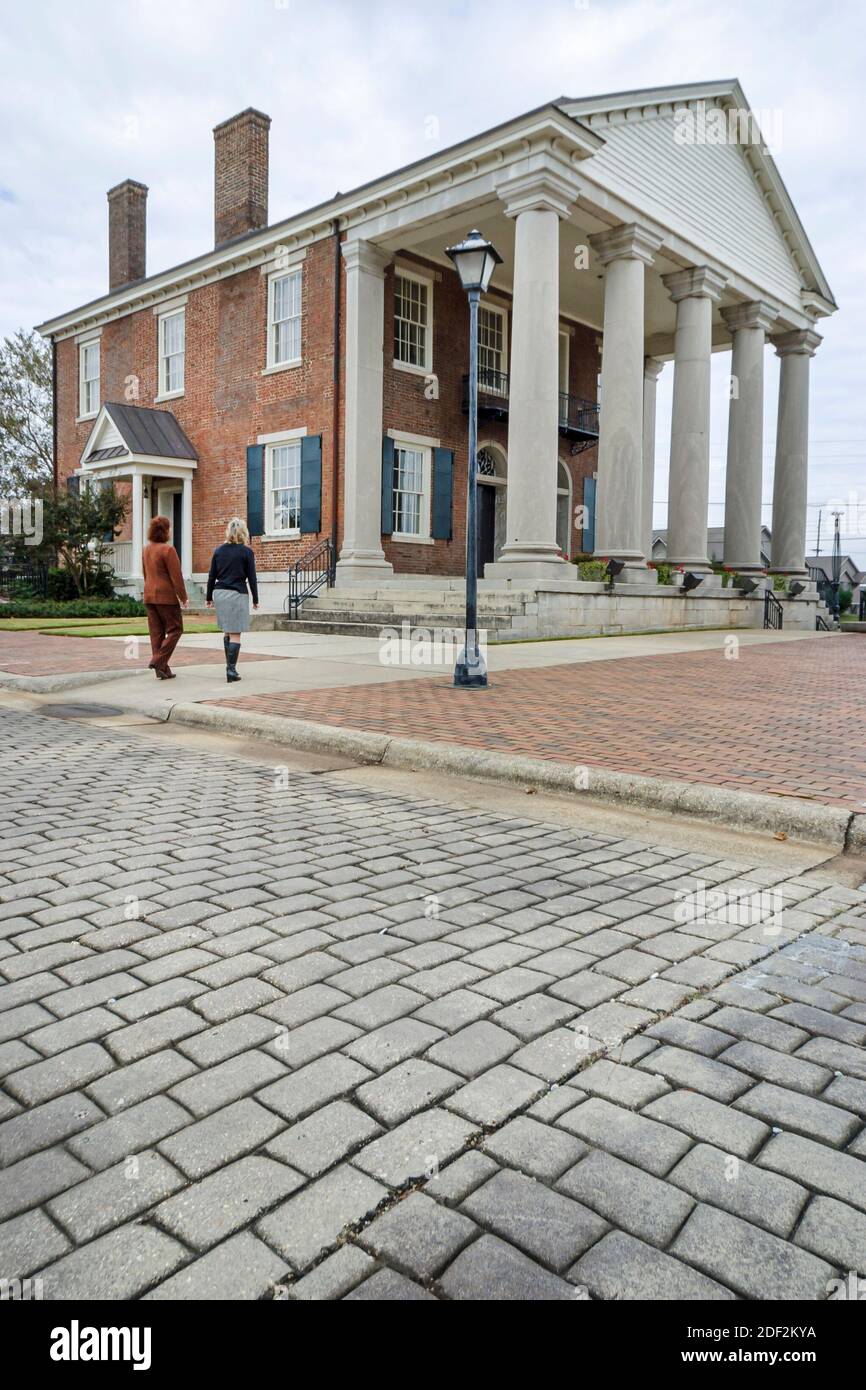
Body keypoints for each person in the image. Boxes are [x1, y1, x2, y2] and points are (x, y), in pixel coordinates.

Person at [206, 517, 259, 682]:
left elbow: (211, 576)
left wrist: (208, 597)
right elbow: (252, 578)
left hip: (220, 593)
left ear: (228, 532)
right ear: (244, 533)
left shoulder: (218, 551)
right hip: (237, 594)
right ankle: (231, 670)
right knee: (236, 633)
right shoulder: (247, 552)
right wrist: (255, 599)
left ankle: (230, 667)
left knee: (227, 630)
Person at [142, 515, 188, 680]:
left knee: (156, 634)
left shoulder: (146, 549)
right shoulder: (168, 550)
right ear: (166, 531)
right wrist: (183, 597)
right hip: (166, 597)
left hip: (149, 596)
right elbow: (177, 577)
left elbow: (145, 574)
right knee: (176, 630)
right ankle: (157, 660)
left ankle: (162, 669)